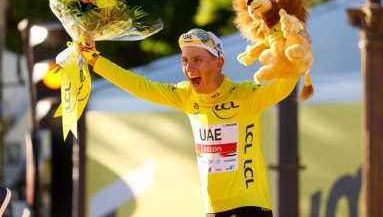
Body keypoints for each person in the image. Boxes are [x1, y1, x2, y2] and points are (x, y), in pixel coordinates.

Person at [80, 28, 307, 217]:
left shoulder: (244, 95)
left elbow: (283, 85)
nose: (189, 68)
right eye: (185, 61)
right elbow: (139, 85)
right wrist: (93, 58)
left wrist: (298, 50)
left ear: (218, 63)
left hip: (249, 207)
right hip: (213, 209)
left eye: (198, 60)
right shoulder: (186, 95)